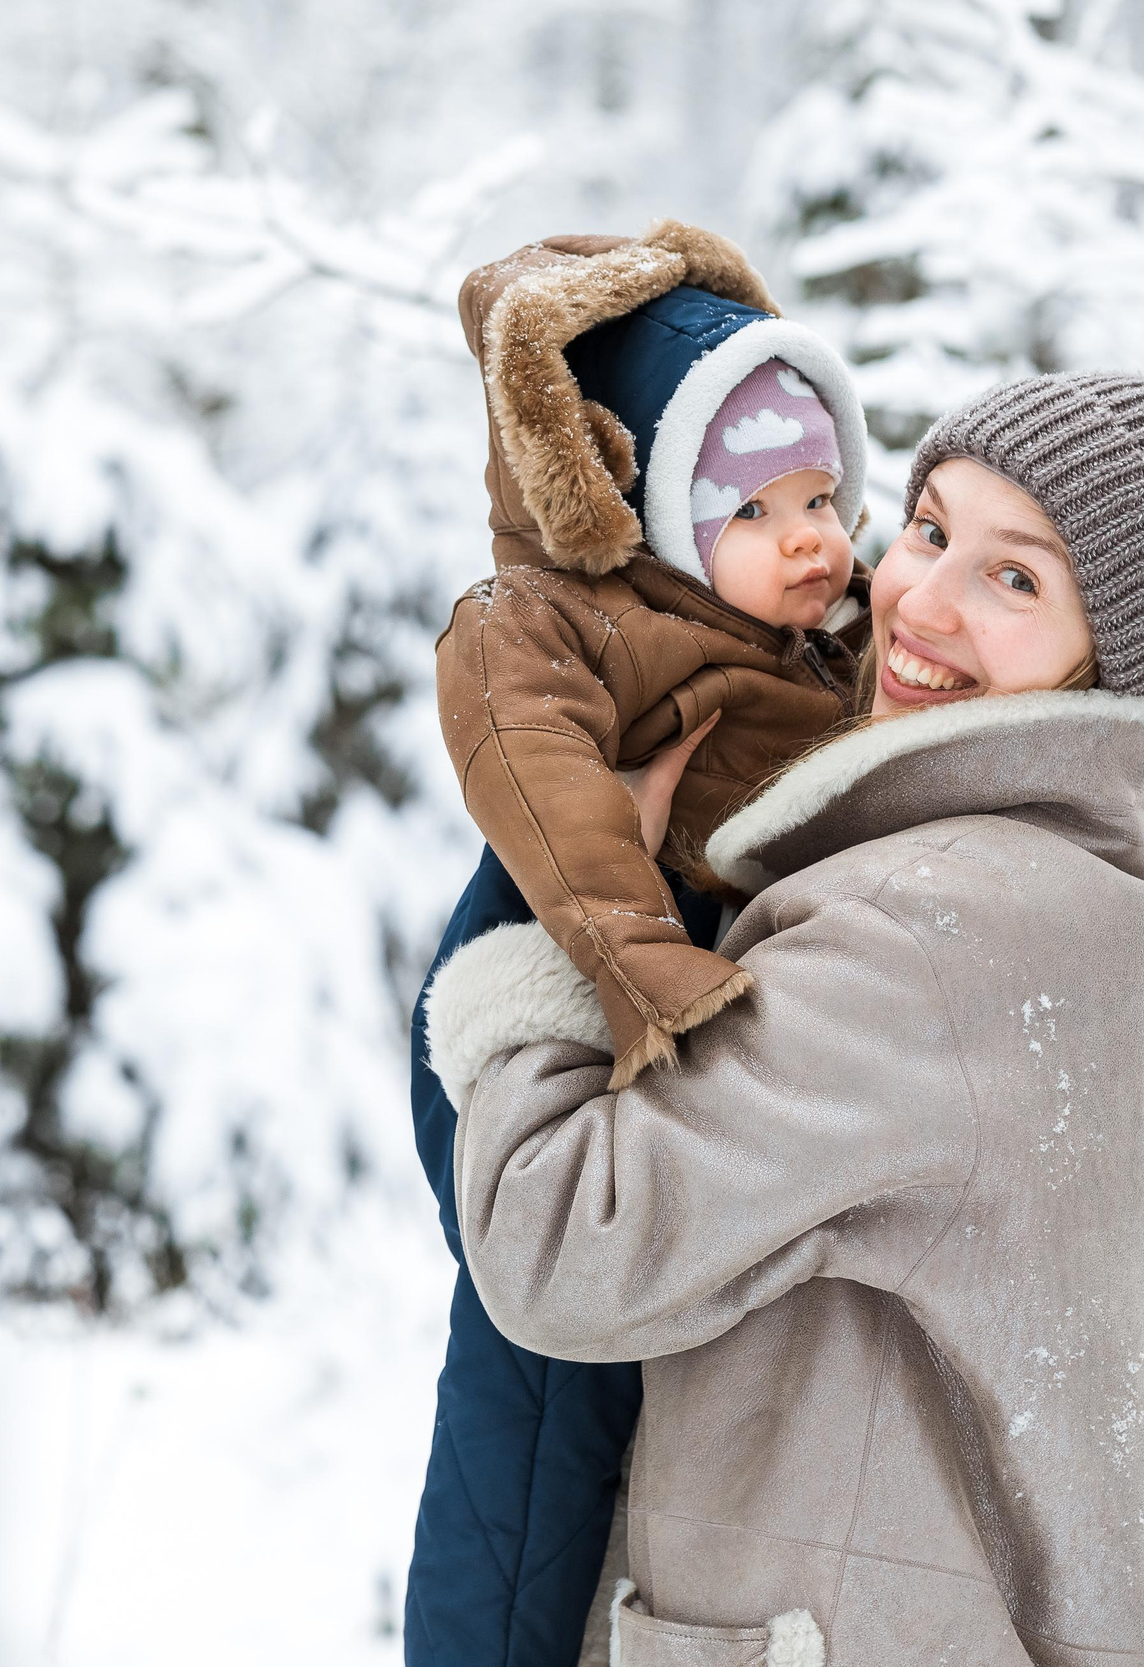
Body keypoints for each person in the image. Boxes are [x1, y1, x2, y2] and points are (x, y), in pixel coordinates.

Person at [424, 369, 1144, 1665]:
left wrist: (566, 920)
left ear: (1108, 657)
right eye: (930, 527)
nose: (922, 601)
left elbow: (560, 1244)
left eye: (1016, 579)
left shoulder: (930, 924)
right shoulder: (1086, 889)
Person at [404, 221, 873, 1667]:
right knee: (533, 1400)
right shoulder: (555, 622)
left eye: (824, 496)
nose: (814, 538)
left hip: (693, 977)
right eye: (758, 510)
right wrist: (643, 954)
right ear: (652, 511)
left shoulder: (825, 631)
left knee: (642, 1380)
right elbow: (542, 781)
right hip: (573, 962)